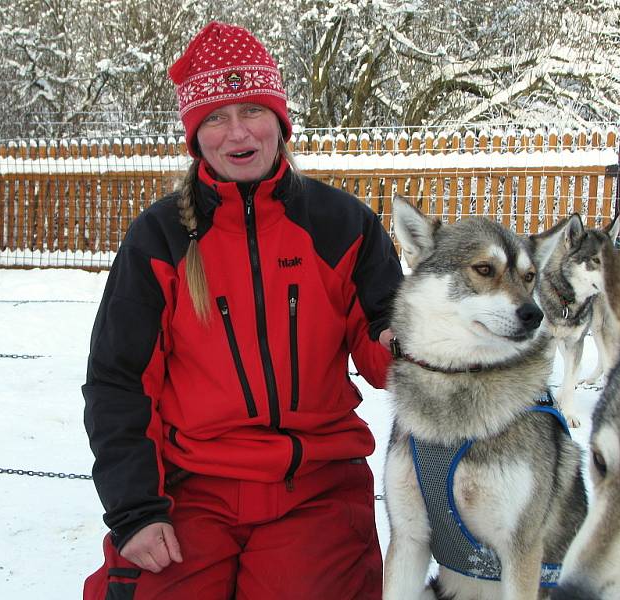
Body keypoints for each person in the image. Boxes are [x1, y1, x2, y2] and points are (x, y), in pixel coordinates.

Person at [82, 21, 402, 599]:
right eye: (214, 117)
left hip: (316, 489)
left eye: (251, 109)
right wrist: (135, 510)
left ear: (279, 120)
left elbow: (385, 351)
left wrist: (421, 340)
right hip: (191, 490)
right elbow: (118, 380)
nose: (237, 133)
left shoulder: (341, 226)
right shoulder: (159, 240)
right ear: (193, 134)